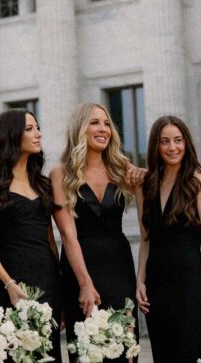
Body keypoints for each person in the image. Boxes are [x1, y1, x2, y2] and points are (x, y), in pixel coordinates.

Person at [136, 115, 201, 362]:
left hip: (191, 288)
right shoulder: (145, 184)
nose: (172, 147)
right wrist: (140, 281)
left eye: (178, 140)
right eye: (165, 141)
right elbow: (145, 238)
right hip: (157, 290)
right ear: (155, 146)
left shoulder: (199, 183)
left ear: (186, 143)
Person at [53, 104, 139, 363]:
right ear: (80, 129)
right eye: (94, 123)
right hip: (80, 267)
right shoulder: (61, 174)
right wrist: (85, 284)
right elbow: (68, 236)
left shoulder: (123, 169)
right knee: (87, 351)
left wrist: (143, 177)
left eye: (106, 123)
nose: (103, 129)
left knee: (124, 348)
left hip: (119, 267)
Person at [0, 108, 62, 363]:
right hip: (10, 280)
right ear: (12, 134)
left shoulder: (44, 183)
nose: (38, 134)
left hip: (47, 280)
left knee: (48, 353)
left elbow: (50, 239)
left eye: (37, 127)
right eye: (30, 129)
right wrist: (7, 282)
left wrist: (60, 284)